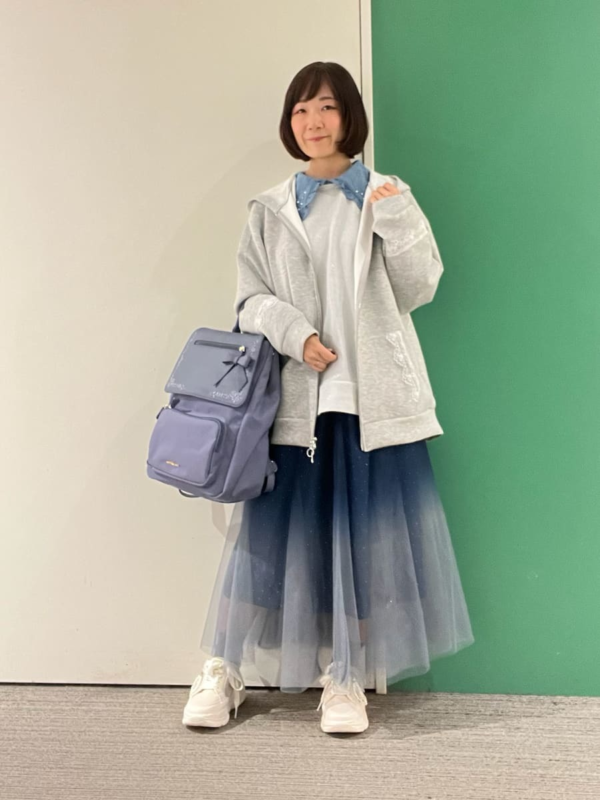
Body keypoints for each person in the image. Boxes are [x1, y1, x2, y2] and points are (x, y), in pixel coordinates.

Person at [182, 61, 475, 735]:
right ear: (290, 123)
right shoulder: (269, 208)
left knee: (363, 546)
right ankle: (223, 669)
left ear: (349, 117)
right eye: (301, 110)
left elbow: (419, 287)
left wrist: (394, 216)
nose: (313, 122)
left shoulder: (388, 194)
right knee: (264, 544)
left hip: (372, 404)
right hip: (292, 407)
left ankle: (344, 675)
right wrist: (298, 334)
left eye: (327, 108)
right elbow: (248, 301)